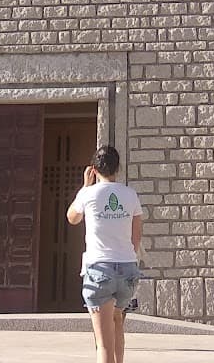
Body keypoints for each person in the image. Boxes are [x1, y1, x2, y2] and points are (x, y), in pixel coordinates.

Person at [66, 144, 144, 363]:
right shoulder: (130, 195)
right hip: (127, 269)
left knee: (103, 346)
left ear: (94, 169)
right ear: (117, 168)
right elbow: (135, 237)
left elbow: (72, 218)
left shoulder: (88, 194)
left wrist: (84, 186)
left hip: (99, 270)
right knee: (117, 320)